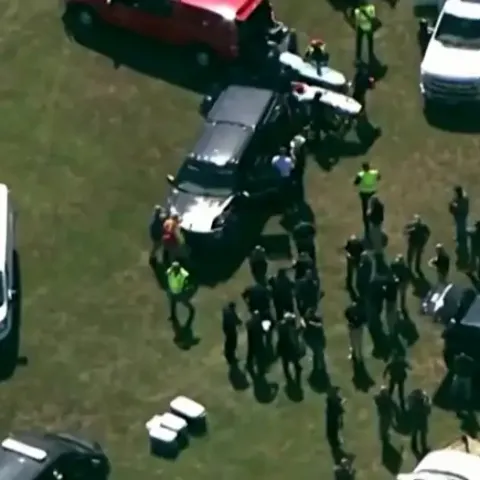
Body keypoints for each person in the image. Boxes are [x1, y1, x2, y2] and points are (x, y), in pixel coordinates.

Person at [351, 62, 380, 142]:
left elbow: (355, 84)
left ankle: (355, 117)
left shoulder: (359, 75)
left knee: (358, 105)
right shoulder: (364, 77)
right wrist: (371, 81)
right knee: (360, 106)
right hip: (359, 95)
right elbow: (371, 86)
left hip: (357, 93)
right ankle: (355, 118)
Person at [353, 162, 380, 234]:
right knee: (373, 206)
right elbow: (379, 177)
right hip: (372, 192)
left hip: (364, 193)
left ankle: (367, 224)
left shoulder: (361, 175)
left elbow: (356, 183)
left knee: (365, 208)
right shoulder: (374, 173)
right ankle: (374, 219)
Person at [166, 261, 193, 327]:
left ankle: (192, 309)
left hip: (180, 291)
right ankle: (173, 316)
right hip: (173, 290)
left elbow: (187, 279)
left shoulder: (183, 273)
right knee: (173, 303)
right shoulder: (171, 271)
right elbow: (167, 273)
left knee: (184, 301)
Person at [277, 313, 302, 385]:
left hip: (282, 346)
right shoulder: (289, 328)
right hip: (289, 346)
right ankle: (297, 367)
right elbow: (294, 335)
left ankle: (287, 371)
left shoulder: (280, 325)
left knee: (285, 360)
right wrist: (301, 328)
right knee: (294, 357)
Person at [449, 185, 470, 266]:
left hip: (461, 215)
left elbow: (460, 207)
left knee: (461, 227)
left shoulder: (463, 198)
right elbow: (455, 202)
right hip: (459, 215)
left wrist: (454, 206)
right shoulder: (460, 197)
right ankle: (459, 237)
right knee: (458, 226)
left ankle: (462, 238)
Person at [302, 308, 326, 374]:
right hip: (315, 339)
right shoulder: (309, 321)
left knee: (318, 353)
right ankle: (320, 368)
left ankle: (320, 367)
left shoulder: (313, 320)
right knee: (318, 353)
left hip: (315, 338)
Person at [354, 0, 378, 64]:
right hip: (368, 27)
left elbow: (357, 20)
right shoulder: (371, 8)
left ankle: (358, 57)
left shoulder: (357, 10)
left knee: (359, 42)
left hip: (361, 27)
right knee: (370, 42)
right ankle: (370, 55)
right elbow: (372, 17)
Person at [408, 389, 431, 454]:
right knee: (422, 435)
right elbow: (428, 411)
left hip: (414, 420)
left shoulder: (412, 403)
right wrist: (428, 401)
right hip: (422, 421)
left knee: (414, 434)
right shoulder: (423, 404)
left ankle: (413, 446)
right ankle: (424, 448)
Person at [245, 311, 266, 377]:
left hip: (252, 342)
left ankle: (249, 364)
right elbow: (263, 332)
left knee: (251, 354)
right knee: (259, 357)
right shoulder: (257, 324)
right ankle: (261, 370)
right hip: (258, 342)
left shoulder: (250, 323)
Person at [326, 387, 345, 451]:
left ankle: (334, 440)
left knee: (333, 430)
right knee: (335, 430)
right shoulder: (334, 402)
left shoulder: (330, 401)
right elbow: (339, 410)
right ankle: (336, 441)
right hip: (334, 420)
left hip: (332, 419)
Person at [383, 273, 399, 342]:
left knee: (389, 318)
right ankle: (393, 333)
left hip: (390, 302)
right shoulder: (394, 284)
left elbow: (385, 293)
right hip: (393, 301)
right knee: (392, 317)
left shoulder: (388, 285)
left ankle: (392, 333)